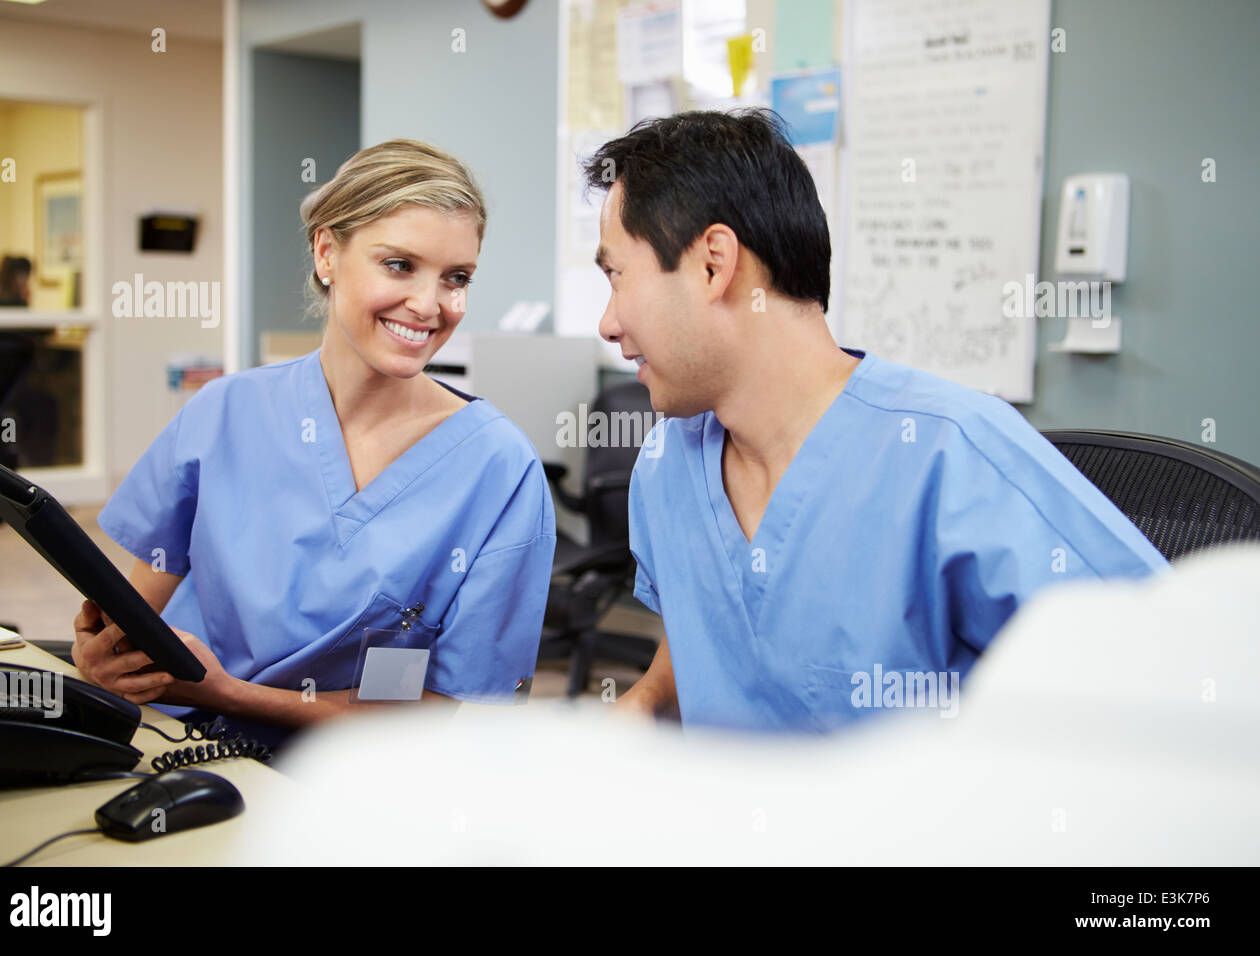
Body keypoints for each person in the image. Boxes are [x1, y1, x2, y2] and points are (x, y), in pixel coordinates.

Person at [586, 109, 1166, 733]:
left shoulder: (951, 453)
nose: (608, 323)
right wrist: (635, 713)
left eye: (617, 277)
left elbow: (1169, 667)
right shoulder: (666, 464)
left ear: (712, 264)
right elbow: (706, 654)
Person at [72, 140, 556, 744]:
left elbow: (435, 710)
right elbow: (130, 620)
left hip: (347, 788)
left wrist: (226, 692)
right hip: (168, 745)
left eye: (456, 277)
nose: (431, 305)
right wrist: (100, 658)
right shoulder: (226, 411)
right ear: (327, 252)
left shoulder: (499, 469)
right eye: (401, 265)